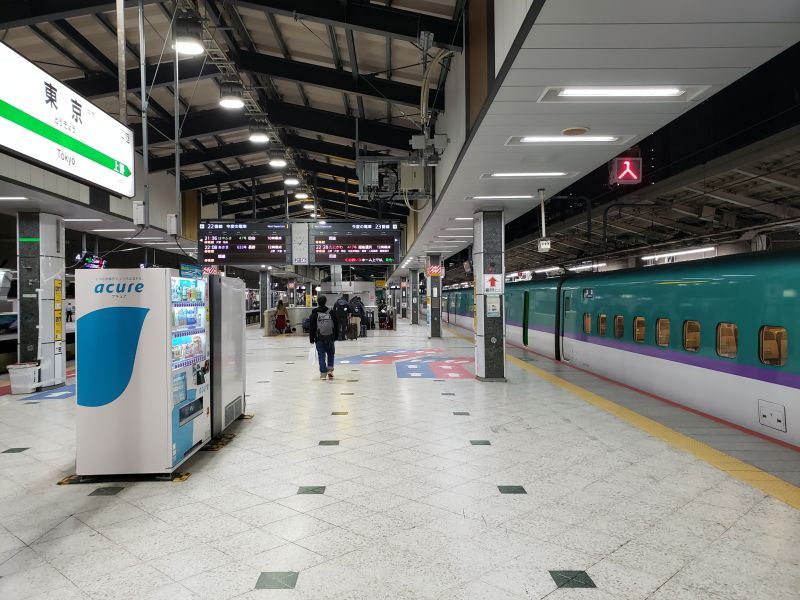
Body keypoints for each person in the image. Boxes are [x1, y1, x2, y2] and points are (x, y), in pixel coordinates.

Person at [309, 295, 339, 380]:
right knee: (330, 353)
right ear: (325, 302)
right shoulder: (331, 312)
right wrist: (336, 336)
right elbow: (336, 325)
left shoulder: (315, 313)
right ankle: (330, 370)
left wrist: (311, 338)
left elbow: (312, 327)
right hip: (330, 337)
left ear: (318, 302)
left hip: (319, 338)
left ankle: (323, 374)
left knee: (321, 355)